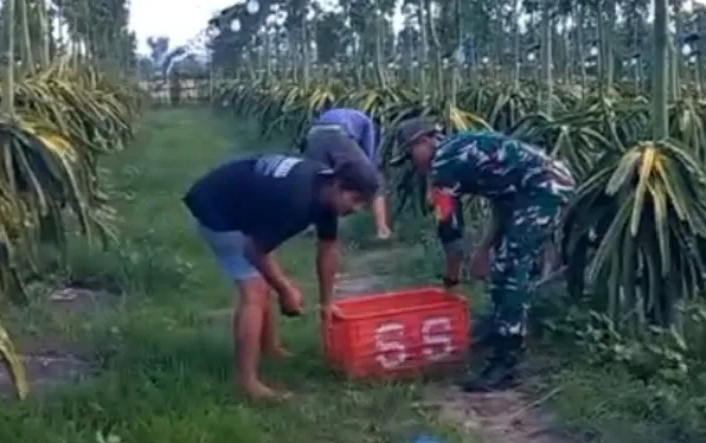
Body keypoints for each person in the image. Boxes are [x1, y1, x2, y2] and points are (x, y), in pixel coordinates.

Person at [393, 118, 575, 392]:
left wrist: (451, 281)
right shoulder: (458, 149)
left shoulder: (445, 163)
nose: (412, 162)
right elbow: (503, 201)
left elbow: (451, 232)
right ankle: (498, 327)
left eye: (410, 153)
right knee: (502, 265)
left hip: (544, 189)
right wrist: (483, 250)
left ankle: (507, 361)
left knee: (513, 269)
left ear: (426, 140)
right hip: (528, 190)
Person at [184, 153, 379, 400]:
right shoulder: (297, 201)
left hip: (243, 205)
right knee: (254, 290)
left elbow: (328, 248)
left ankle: (270, 348)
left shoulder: (324, 189)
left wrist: (326, 304)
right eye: (356, 200)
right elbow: (254, 251)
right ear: (338, 184)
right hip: (214, 206)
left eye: (363, 204)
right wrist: (285, 289)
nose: (357, 209)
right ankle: (247, 381)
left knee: (265, 280)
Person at [302, 105, 392, 239]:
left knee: (323, 182)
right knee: (374, 177)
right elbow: (370, 156)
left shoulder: (347, 115)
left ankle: (313, 224)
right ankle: (382, 228)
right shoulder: (368, 123)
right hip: (338, 134)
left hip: (313, 134)